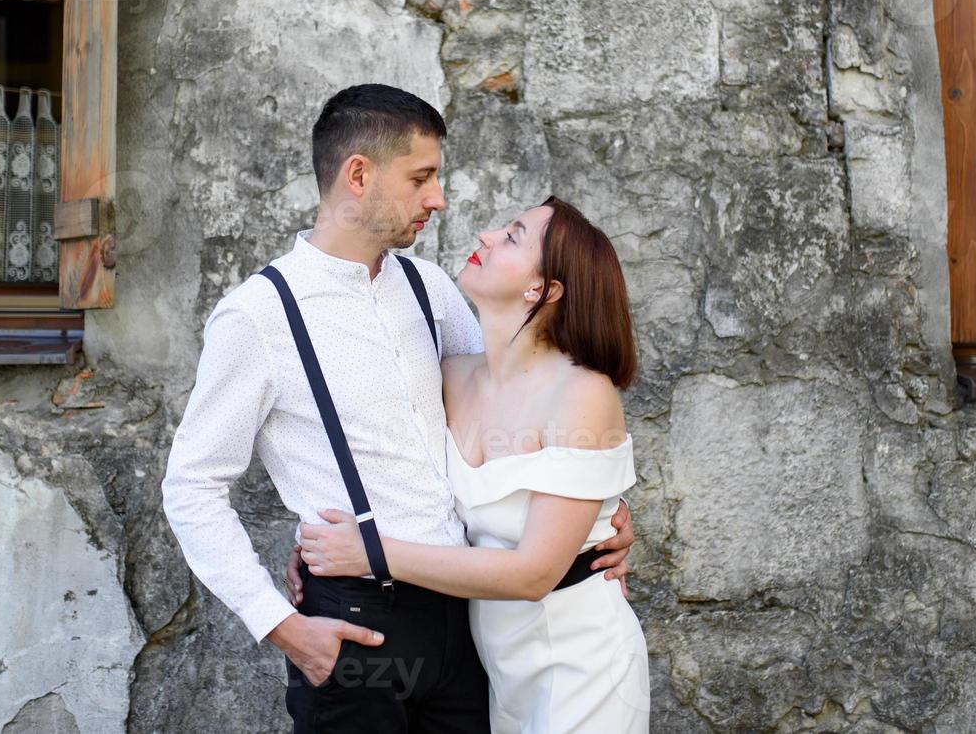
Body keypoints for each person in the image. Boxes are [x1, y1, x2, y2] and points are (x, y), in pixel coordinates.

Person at [160, 84, 634, 733]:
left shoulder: (431, 288)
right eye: (421, 178)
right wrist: (282, 626)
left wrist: (599, 513)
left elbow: (506, 416)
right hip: (358, 628)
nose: (438, 198)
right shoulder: (259, 315)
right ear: (359, 175)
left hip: (468, 624)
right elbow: (192, 486)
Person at [299, 197, 650, 733]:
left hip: (582, 660)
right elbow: (382, 464)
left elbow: (535, 573)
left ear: (544, 290)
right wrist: (312, 538)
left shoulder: (582, 394)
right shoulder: (448, 376)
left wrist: (368, 552)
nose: (486, 234)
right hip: (494, 663)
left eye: (512, 236)